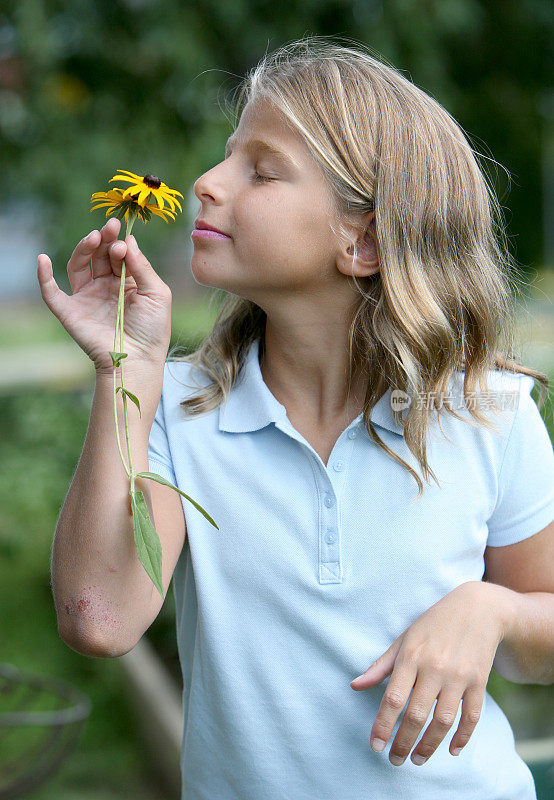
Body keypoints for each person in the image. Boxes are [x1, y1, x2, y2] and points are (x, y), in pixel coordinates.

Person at [39, 36, 554, 800]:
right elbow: (100, 619)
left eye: (262, 170)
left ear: (365, 239)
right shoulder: (181, 408)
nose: (207, 183)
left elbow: (542, 633)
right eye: (225, 155)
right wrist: (127, 369)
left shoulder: (490, 412)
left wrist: (493, 611)